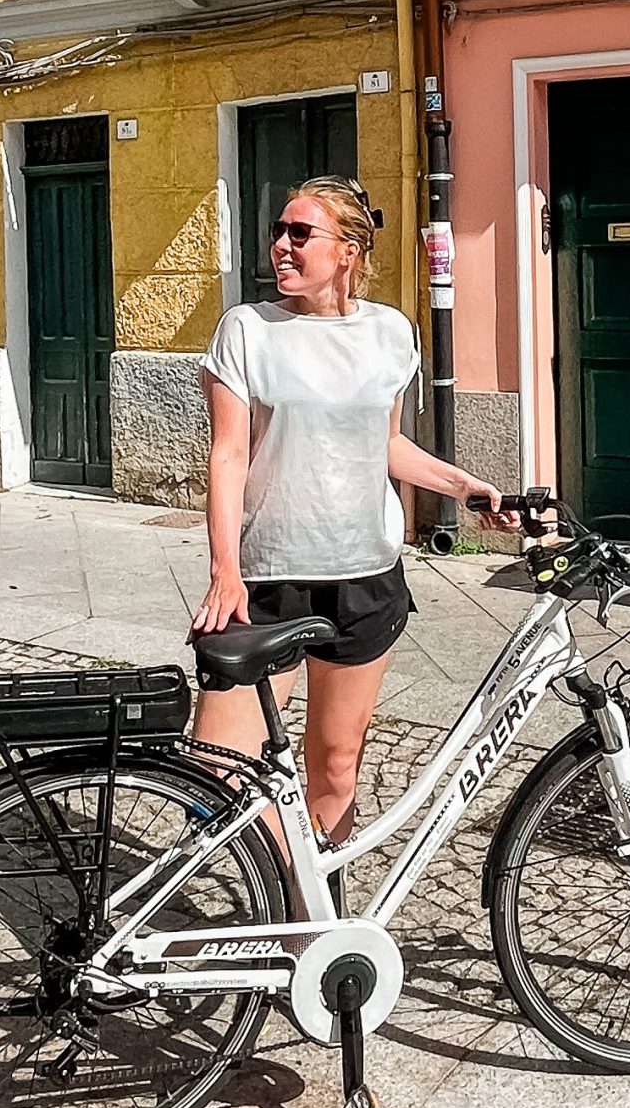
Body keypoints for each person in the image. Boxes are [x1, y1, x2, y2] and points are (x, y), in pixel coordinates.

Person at [191, 175, 515, 854]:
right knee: (218, 768)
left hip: (365, 578)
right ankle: (282, 883)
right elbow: (227, 455)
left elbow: (386, 442)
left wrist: (463, 485)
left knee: (336, 764)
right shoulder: (247, 329)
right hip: (268, 579)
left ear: (348, 250)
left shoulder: (390, 333)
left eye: (299, 233)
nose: (281, 245)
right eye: (278, 231)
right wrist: (226, 571)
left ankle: (315, 918)